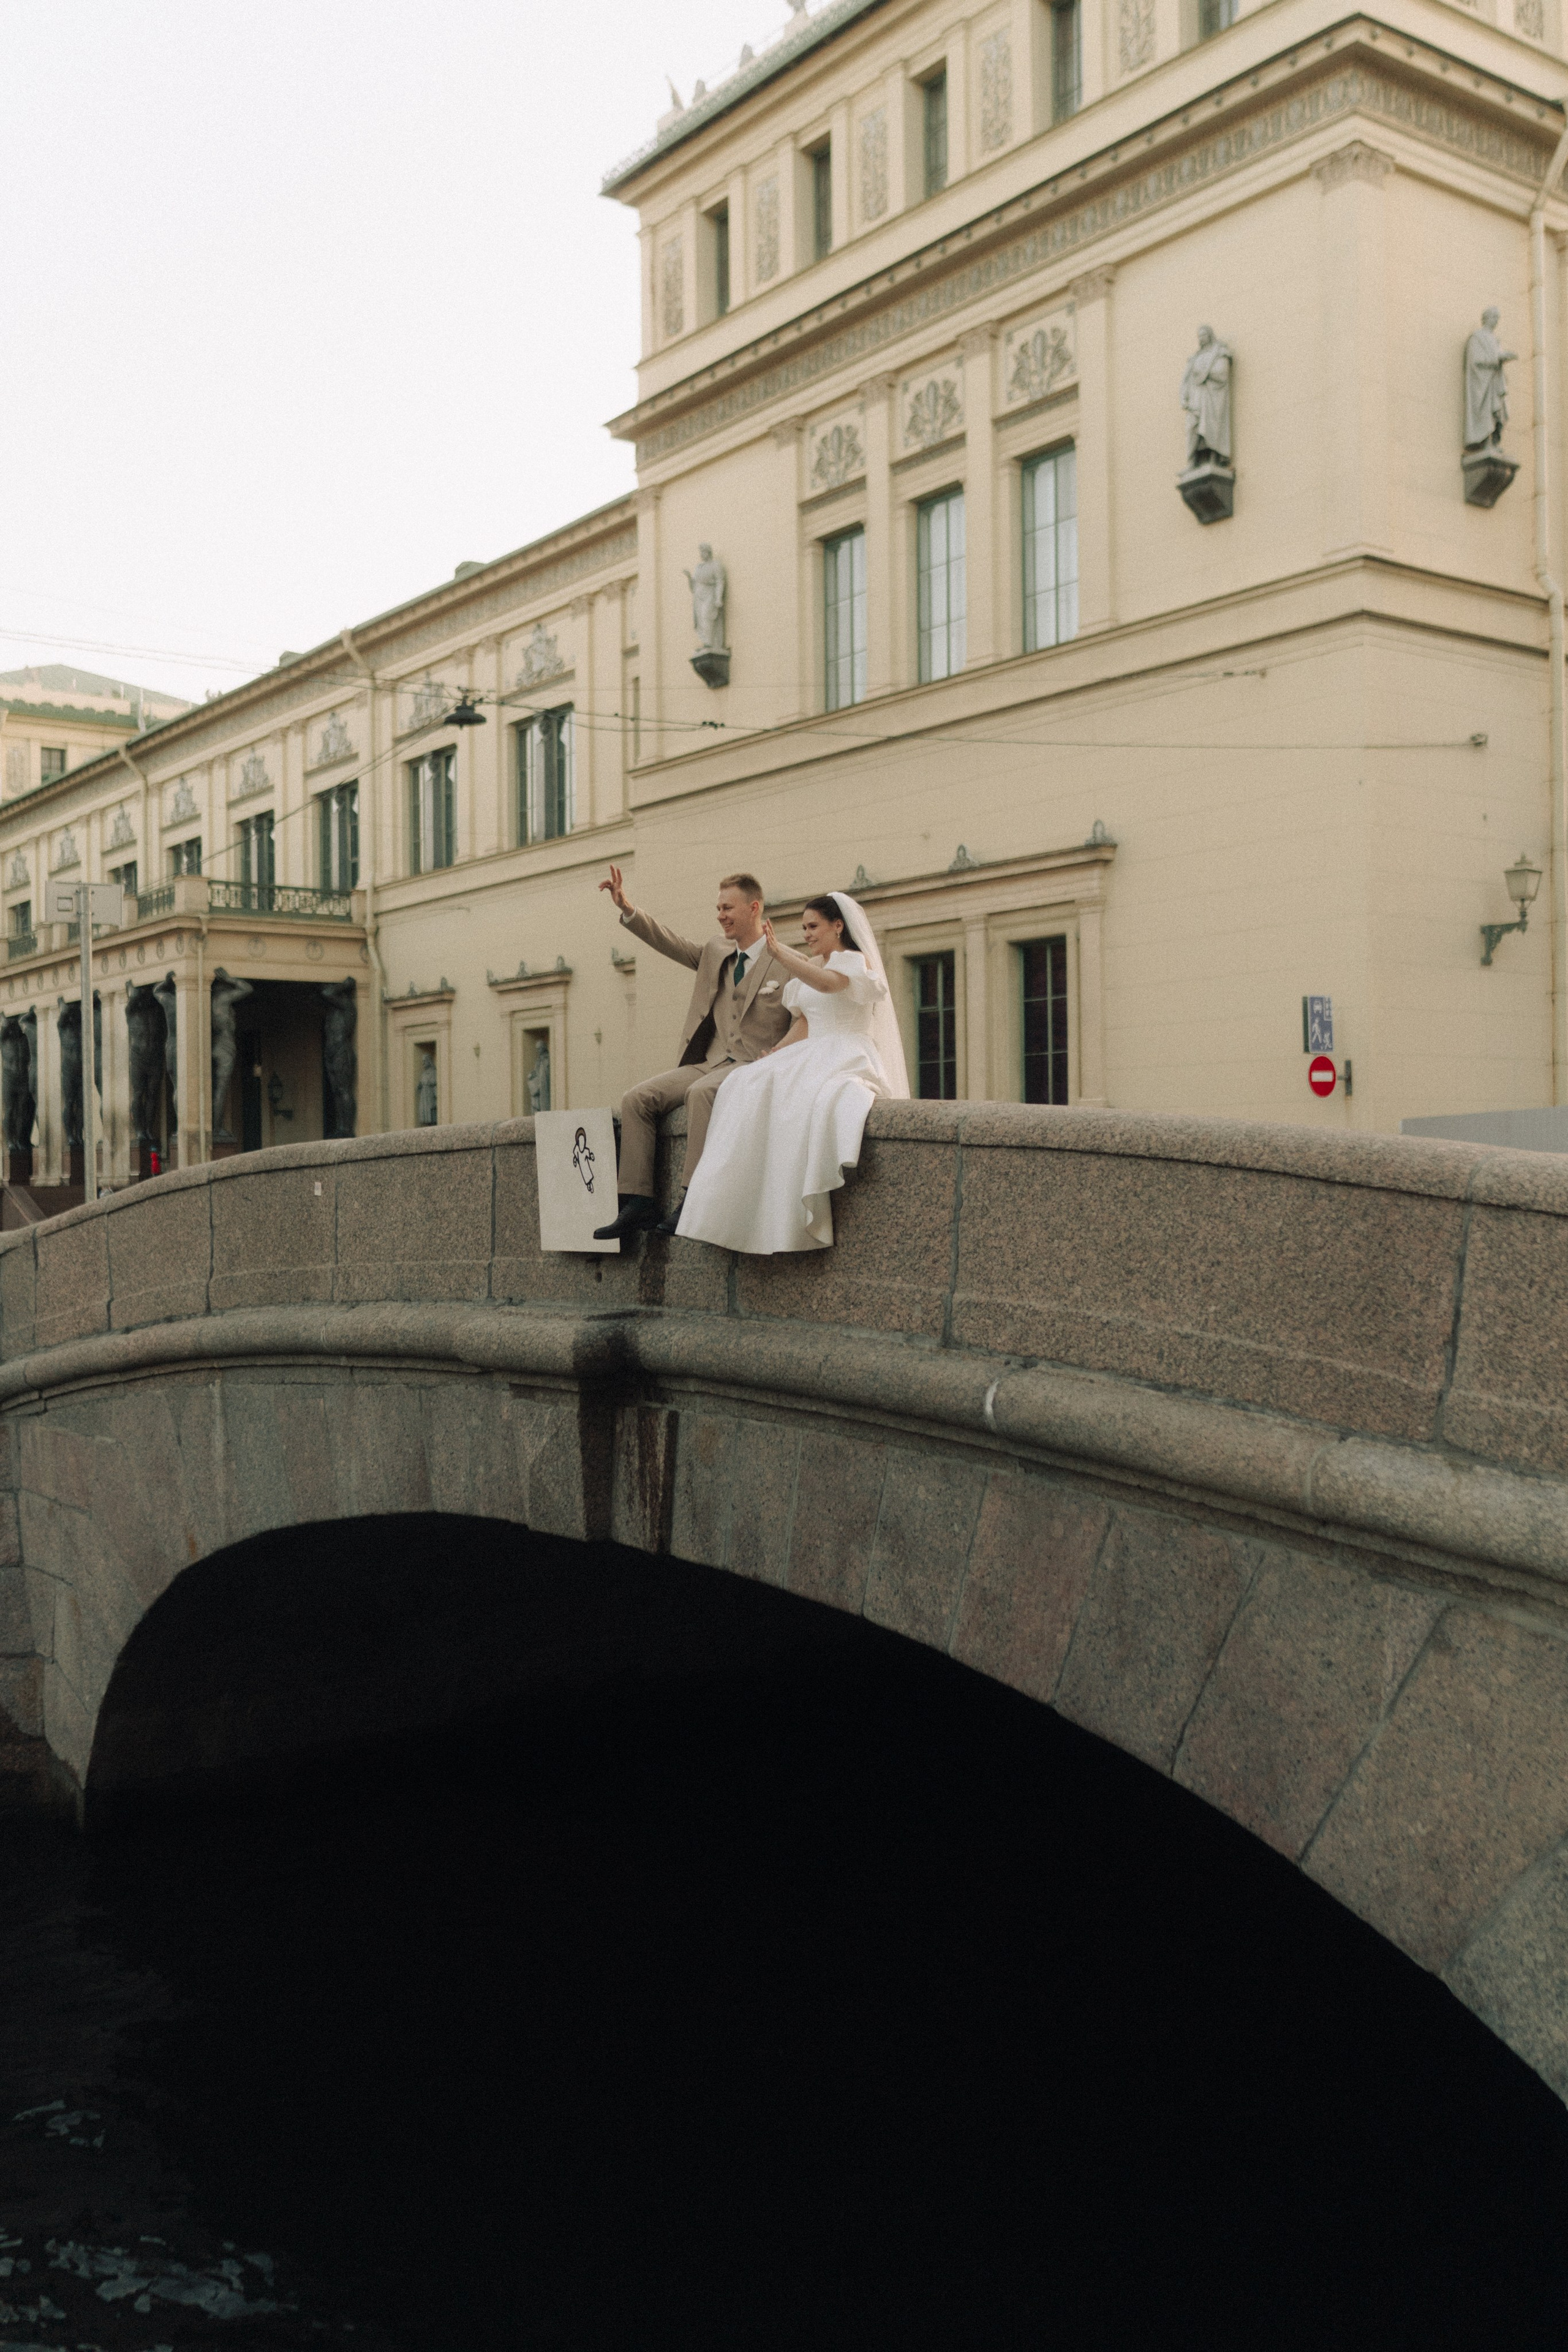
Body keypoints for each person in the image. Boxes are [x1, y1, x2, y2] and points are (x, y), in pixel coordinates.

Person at [674, 889, 910, 1254]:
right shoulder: (812, 967)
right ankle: (732, 1208)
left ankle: (787, 1218)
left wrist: (779, 952)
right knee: (744, 1082)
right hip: (812, 1048)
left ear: (838, 926)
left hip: (845, 1048)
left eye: (814, 926)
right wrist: (777, 1052)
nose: (808, 934)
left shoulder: (853, 961)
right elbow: (805, 1022)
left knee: (801, 1099)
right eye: (803, 928)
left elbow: (830, 986)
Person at [594, 864, 794, 1239]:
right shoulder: (716, 952)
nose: (720, 916)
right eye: (718, 908)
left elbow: (805, 1020)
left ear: (754, 908)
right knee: (637, 1098)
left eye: (728, 908)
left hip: (753, 1065)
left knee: (700, 1095)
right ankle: (638, 1202)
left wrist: (782, 1056)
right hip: (711, 1060)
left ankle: (693, 1199)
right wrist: (627, 909)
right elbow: (670, 942)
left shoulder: (785, 961)